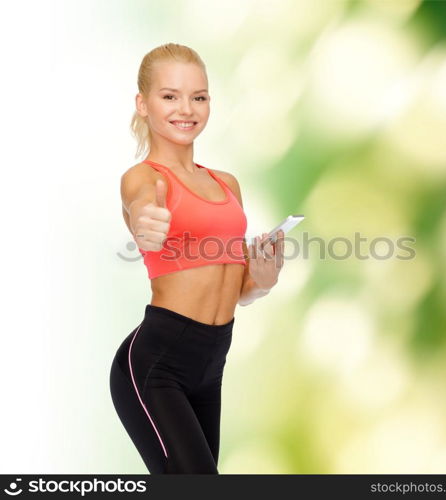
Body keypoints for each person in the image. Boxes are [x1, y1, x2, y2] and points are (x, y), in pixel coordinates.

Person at [109, 42, 285, 474]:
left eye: (198, 97)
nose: (186, 108)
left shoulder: (227, 184)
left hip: (211, 364)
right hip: (156, 365)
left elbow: (236, 289)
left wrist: (260, 281)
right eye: (169, 96)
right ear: (143, 103)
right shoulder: (143, 178)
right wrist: (145, 222)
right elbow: (140, 208)